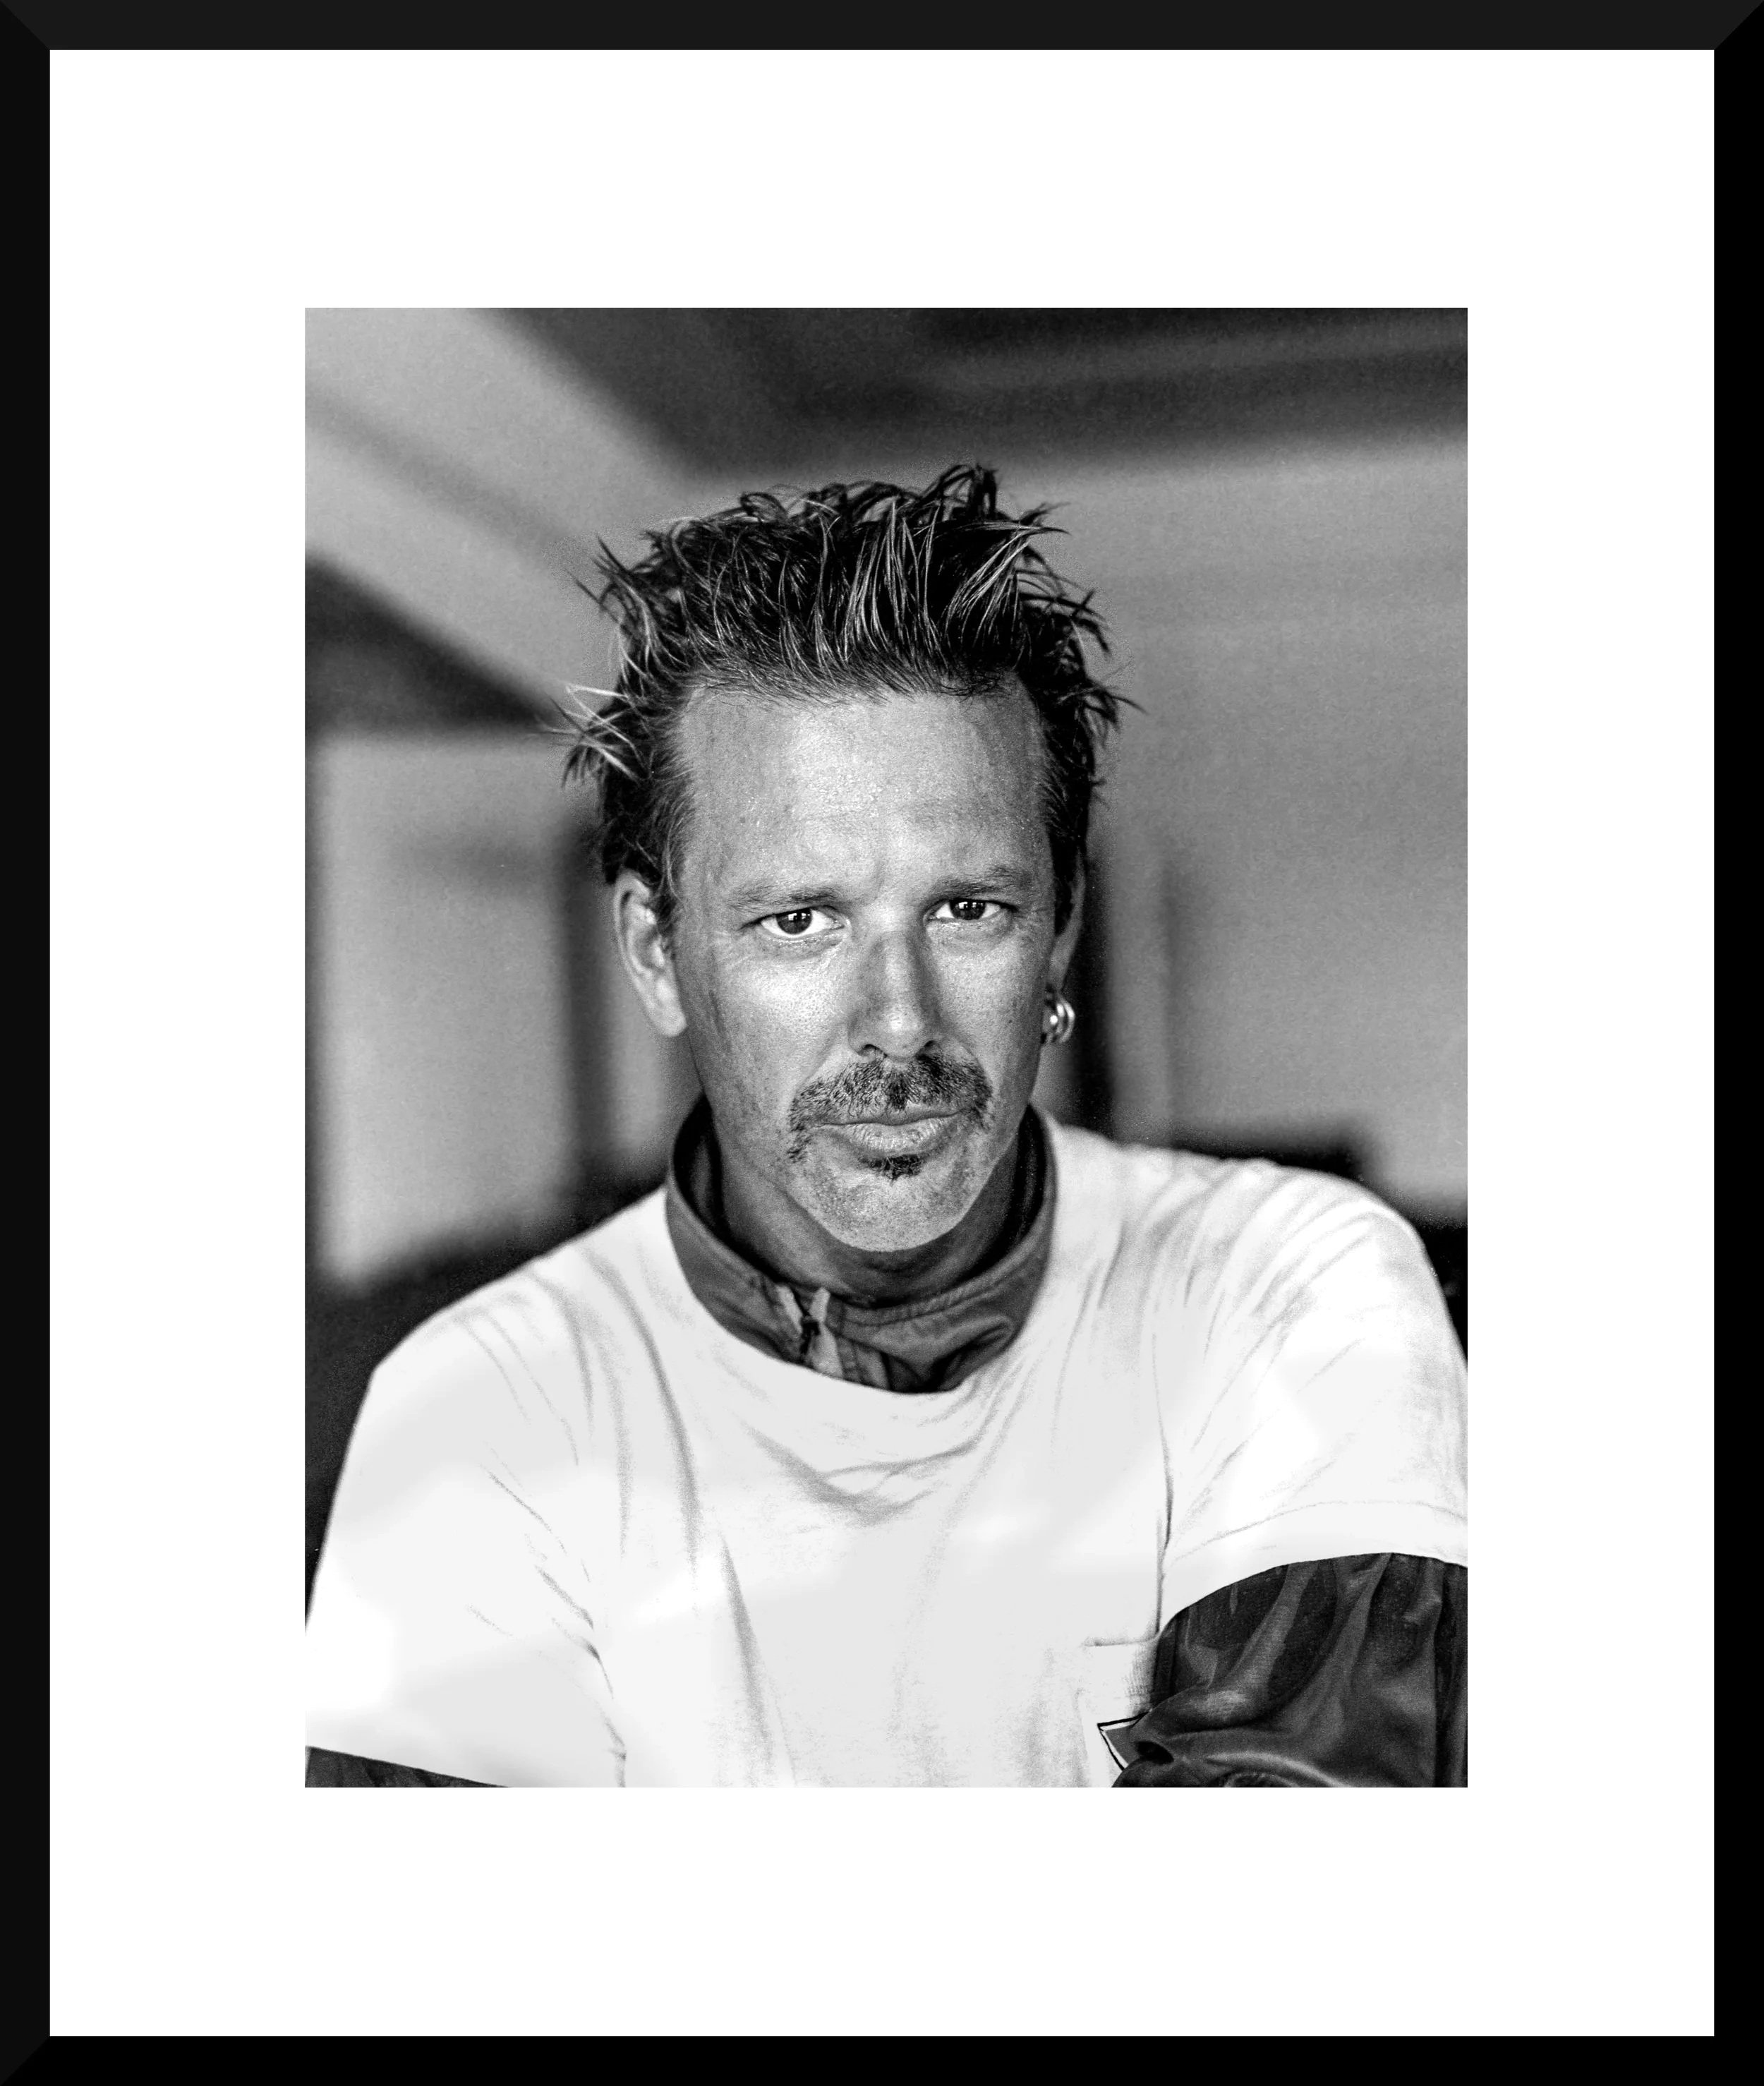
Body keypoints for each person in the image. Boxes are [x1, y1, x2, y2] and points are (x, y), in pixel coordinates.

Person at [305, 465, 1467, 1788]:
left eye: (970, 909)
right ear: (657, 954)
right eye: (800, 920)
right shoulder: (481, 1415)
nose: (900, 1024)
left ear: (1061, 931)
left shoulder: (1289, 1284)